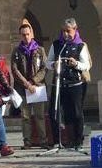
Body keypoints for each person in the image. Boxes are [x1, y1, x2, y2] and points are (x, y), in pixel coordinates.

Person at [46, 18, 91, 149]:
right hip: (58, 84)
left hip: (74, 84)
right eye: (63, 31)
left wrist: (76, 64)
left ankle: (77, 141)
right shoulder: (56, 45)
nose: (66, 34)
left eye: (68, 31)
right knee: (54, 112)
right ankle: (56, 141)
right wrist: (53, 64)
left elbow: (86, 65)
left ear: (75, 29)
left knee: (76, 113)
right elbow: (47, 63)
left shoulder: (80, 45)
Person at [10, 21, 48, 148]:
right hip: (22, 88)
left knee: (39, 116)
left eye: (27, 34)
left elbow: (44, 68)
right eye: (23, 35)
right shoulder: (16, 51)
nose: (26, 37)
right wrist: (27, 84)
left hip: (37, 88)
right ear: (20, 36)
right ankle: (27, 141)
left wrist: (33, 82)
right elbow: (15, 70)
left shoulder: (40, 50)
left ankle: (43, 140)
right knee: (25, 116)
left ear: (31, 34)